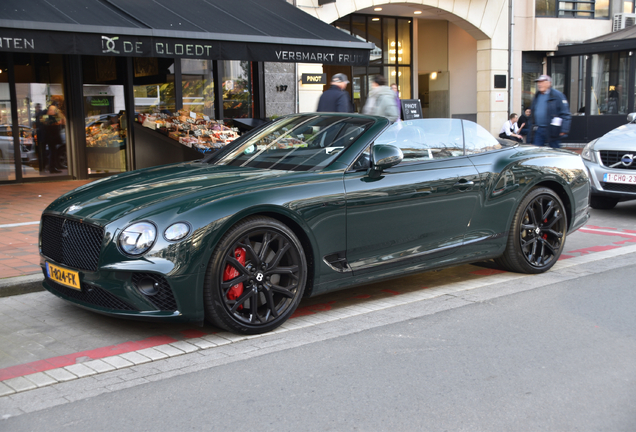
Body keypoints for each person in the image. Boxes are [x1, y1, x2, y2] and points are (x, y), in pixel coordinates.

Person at [527, 75, 571, 148]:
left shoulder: (557, 95)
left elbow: (565, 113)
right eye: (538, 82)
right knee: (536, 151)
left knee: (554, 151)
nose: (539, 84)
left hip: (552, 130)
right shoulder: (537, 96)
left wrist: (564, 129)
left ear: (549, 83)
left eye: (542, 82)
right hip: (538, 129)